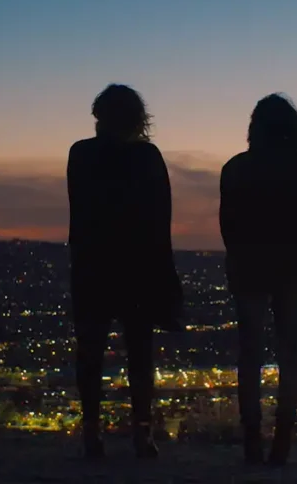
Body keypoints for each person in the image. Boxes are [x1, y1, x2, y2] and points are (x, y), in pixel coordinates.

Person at [67, 84, 183, 460]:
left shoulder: (80, 154)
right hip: (137, 266)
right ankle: (142, 433)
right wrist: (165, 275)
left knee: (90, 351)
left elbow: (79, 214)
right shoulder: (147, 157)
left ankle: (91, 432)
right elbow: (160, 219)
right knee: (139, 353)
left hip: (92, 265)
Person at [219, 93, 297, 465]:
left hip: (248, 268)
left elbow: (227, 226)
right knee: (289, 353)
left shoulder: (235, 168)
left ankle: (252, 437)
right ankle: (282, 439)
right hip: (294, 269)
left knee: (250, 353)